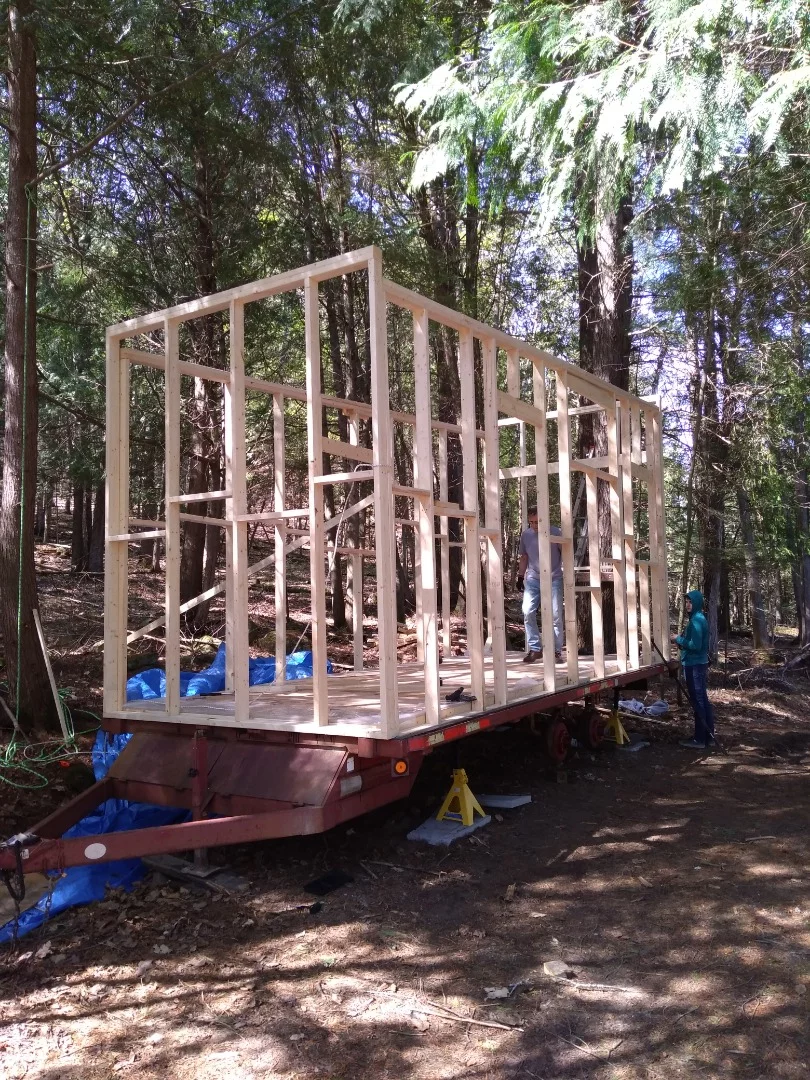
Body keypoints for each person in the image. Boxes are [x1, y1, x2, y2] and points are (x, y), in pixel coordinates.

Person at [517, 505, 563, 663]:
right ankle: (536, 649)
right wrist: (520, 576)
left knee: (555, 615)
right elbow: (524, 557)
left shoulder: (556, 532)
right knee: (527, 611)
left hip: (554, 577)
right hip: (533, 578)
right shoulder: (526, 535)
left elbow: (565, 553)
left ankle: (556, 651)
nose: (534, 525)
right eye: (531, 522)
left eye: (537, 522)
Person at [673, 589, 715, 749]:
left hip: (695, 665)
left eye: (691, 602)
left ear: (697, 603)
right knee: (702, 700)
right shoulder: (696, 619)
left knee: (698, 701)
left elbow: (695, 645)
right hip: (696, 663)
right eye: (687, 602)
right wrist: (682, 641)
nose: (688, 604)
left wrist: (679, 639)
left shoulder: (697, 620)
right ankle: (708, 736)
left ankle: (699, 739)